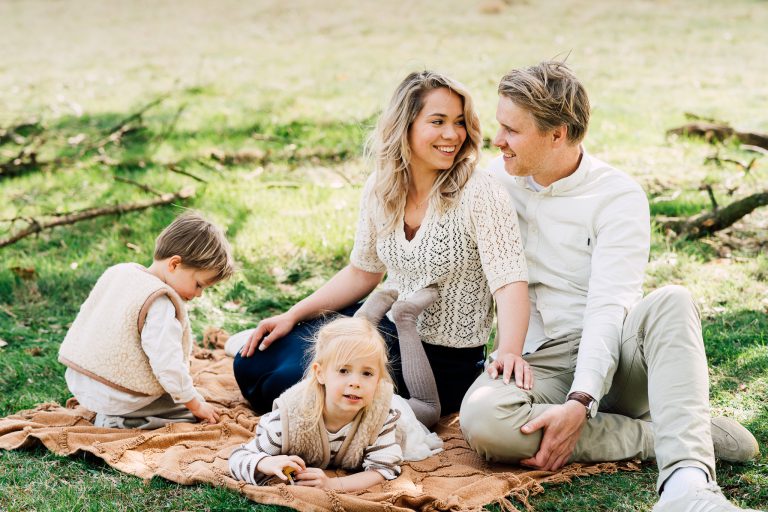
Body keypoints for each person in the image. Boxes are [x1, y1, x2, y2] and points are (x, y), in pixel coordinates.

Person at [459, 61, 761, 512]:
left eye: (511, 130)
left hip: (617, 352)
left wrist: (581, 401)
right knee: (484, 420)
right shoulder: (491, 182)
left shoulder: (617, 196)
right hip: (541, 364)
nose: (496, 140)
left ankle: (687, 485)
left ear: (557, 133)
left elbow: (609, 306)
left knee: (672, 301)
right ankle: (671, 434)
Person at [233, 70, 530, 428]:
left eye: (459, 122)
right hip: (383, 331)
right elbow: (363, 271)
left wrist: (510, 351)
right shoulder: (382, 187)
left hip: (442, 361)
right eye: (438, 121)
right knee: (256, 361)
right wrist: (293, 314)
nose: (452, 134)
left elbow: (509, 281)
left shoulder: (481, 193)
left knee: (294, 385)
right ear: (405, 126)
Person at [58, 212, 235, 429]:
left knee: (180, 396)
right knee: (186, 411)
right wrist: (195, 404)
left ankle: (113, 409)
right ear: (174, 264)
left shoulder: (121, 273)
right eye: (199, 284)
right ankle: (120, 420)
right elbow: (167, 364)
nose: (199, 294)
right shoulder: (159, 302)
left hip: (85, 378)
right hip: (119, 395)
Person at [229, 317, 443, 490]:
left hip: (402, 418)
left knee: (428, 412)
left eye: (367, 373)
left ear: (378, 381)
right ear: (320, 374)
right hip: (305, 410)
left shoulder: (382, 416)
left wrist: (333, 484)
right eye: (343, 371)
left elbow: (383, 469)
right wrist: (266, 463)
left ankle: (401, 318)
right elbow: (239, 457)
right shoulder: (289, 418)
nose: (356, 383)